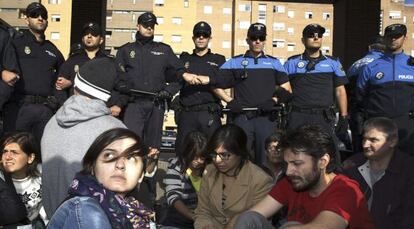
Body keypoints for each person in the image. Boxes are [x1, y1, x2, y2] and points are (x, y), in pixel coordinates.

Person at [189, 23, 292, 165]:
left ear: (264, 40)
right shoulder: (234, 62)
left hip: (266, 119)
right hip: (242, 118)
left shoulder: (274, 63)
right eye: (254, 38)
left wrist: (273, 100)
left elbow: (287, 89)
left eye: (261, 38)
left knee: (267, 161)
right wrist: (229, 101)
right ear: (247, 40)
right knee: (240, 160)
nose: (257, 41)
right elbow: (215, 83)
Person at [235, 125, 374, 229]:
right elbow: (254, 214)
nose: (289, 171)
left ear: (322, 161)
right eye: (287, 163)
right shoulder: (292, 181)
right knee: (249, 219)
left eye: (297, 163)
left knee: (292, 225)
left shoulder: (346, 189)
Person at [41, 58, 126, 217]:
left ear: (76, 85)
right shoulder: (115, 130)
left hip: (54, 219)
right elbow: (127, 185)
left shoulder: (53, 121)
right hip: (92, 220)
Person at [114, 12, 197, 152]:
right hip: (133, 104)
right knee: (129, 146)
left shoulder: (164, 50)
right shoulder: (125, 50)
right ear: (137, 26)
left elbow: (180, 74)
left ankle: (149, 173)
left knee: (153, 150)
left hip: (156, 104)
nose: (149, 28)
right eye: (145, 25)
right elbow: (117, 79)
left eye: (152, 25)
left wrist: (169, 91)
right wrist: (118, 102)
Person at [47, 128, 155, 228]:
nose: (120, 165)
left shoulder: (135, 211)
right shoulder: (86, 210)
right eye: (109, 155)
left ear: (141, 175)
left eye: (130, 157)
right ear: (92, 168)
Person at [2, 2, 64, 142]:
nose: (40, 18)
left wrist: (57, 100)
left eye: (43, 15)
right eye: (35, 15)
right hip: (19, 108)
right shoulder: (15, 42)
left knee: (41, 156)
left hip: (45, 110)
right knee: (14, 151)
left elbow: (63, 77)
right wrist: (2, 72)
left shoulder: (53, 50)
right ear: (26, 19)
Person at [194, 124, 273, 229]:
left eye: (225, 155)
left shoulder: (261, 180)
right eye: (214, 154)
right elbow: (202, 212)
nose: (217, 160)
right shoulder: (209, 171)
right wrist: (206, 226)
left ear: (240, 153)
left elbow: (257, 220)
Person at [343, 117, 414, 229]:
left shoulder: (409, 170)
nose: (365, 145)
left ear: (392, 141)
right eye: (364, 139)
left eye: (373, 140)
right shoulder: (351, 166)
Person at [284, 23, 348, 146]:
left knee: (327, 154)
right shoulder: (291, 62)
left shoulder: (333, 62)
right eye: (311, 35)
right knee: (296, 152)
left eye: (319, 36)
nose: (316, 38)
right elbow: (283, 88)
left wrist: (344, 117)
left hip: (323, 117)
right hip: (298, 116)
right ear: (303, 40)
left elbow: (340, 90)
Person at [357, 23, 414, 157]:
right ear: (384, 39)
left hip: (407, 126)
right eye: (389, 37)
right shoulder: (371, 67)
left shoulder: (412, 65)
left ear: (404, 38)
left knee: (408, 166)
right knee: (378, 164)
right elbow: (360, 98)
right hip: (379, 126)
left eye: (397, 36)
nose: (393, 39)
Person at [174, 21, 227, 156]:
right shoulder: (184, 59)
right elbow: (172, 75)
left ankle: (210, 177)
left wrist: (209, 79)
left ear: (209, 38)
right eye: (198, 35)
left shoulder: (219, 60)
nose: (201, 38)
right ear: (193, 38)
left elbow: (227, 80)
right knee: (183, 151)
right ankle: (183, 177)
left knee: (213, 152)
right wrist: (183, 74)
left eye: (204, 35)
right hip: (187, 113)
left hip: (209, 113)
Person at [55, 22, 110, 107]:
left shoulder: (108, 62)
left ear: (101, 40)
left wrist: (114, 106)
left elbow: (115, 87)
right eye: (86, 34)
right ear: (82, 39)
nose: (89, 36)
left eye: (94, 34)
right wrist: (65, 106)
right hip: (75, 111)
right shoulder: (72, 61)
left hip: (100, 111)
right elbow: (59, 87)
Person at [162, 131, 208, 229]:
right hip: (177, 222)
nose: (199, 161)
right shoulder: (176, 166)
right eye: (195, 157)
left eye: (202, 157)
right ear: (187, 153)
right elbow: (173, 196)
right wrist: (193, 217)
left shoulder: (209, 168)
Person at [347, 35, 385, 154]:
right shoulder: (383, 64)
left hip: (356, 113)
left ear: (369, 48)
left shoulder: (355, 65)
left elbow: (346, 90)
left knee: (358, 149)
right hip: (377, 112)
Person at [1, 132, 45, 226]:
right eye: (5, 151)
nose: (7, 157)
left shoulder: (42, 173)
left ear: (30, 158)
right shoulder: (2, 181)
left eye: (14, 152)